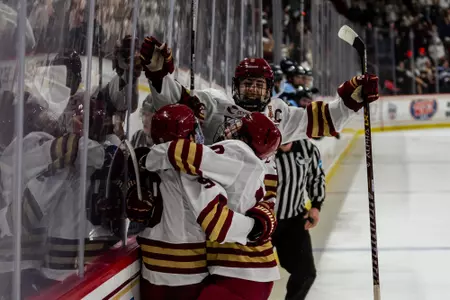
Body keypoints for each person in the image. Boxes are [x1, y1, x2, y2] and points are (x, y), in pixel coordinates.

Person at [131, 104, 277, 300]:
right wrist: (255, 226)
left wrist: (145, 158)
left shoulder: (233, 153)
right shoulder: (198, 169)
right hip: (203, 272)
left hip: (232, 269)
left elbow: (218, 224)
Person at [138, 36, 379, 146]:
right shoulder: (213, 103)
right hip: (212, 204)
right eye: (247, 84)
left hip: (256, 210)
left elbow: (326, 120)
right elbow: (172, 103)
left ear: (269, 89)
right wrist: (160, 76)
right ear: (236, 86)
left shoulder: (280, 113)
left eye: (259, 85)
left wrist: (350, 100)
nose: (253, 90)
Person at [272, 138, 325, 300]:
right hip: (262, 223)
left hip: (294, 219)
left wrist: (316, 205)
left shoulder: (307, 149)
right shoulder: (263, 149)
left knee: (306, 273)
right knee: (252, 277)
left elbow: (316, 177)